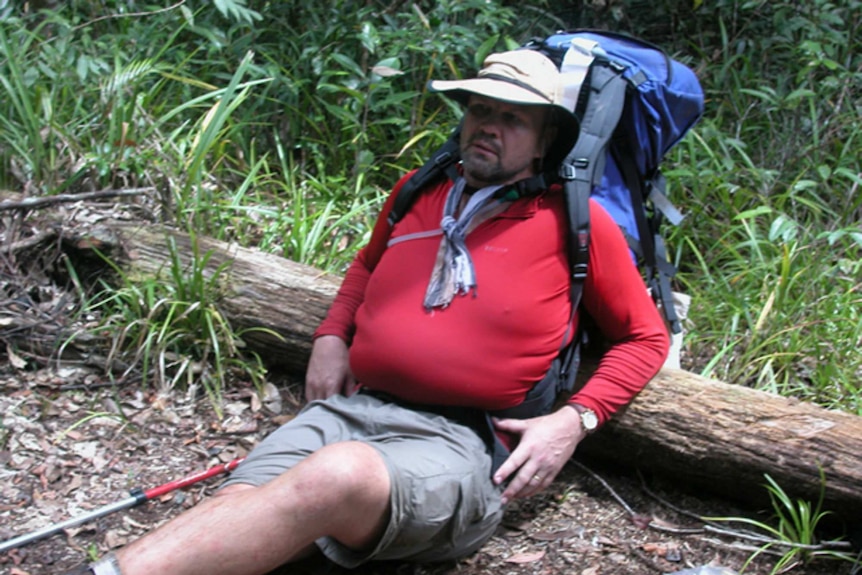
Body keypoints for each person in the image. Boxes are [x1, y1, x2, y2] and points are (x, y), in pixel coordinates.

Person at [70, 48, 669, 575]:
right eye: (479, 110)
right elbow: (367, 266)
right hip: (353, 410)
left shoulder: (574, 223)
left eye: (512, 117)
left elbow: (645, 338)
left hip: (465, 445)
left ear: (545, 140)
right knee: (248, 501)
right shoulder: (420, 192)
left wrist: (575, 421)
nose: (488, 126)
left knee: (335, 479)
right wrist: (333, 336)